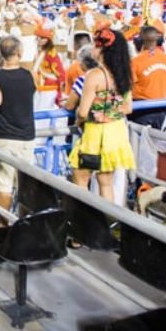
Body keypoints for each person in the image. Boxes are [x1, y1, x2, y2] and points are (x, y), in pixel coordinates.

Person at [68, 29, 134, 203]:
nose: (92, 50)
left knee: (80, 179)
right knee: (106, 182)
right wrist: (109, 113)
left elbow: (82, 112)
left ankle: (85, 223)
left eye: (96, 46)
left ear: (103, 50)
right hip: (116, 131)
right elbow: (127, 108)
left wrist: (81, 119)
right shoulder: (124, 73)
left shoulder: (94, 75)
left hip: (95, 134)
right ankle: (108, 223)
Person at [0, 36, 36, 213]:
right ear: (19, 52)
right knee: (26, 184)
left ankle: (4, 226)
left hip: (3, 136)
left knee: (3, 184)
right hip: (26, 137)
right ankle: (26, 224)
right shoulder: (29, 75)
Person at [129, 23, 166, 129]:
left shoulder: (135, 62)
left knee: (137, 140)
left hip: (140, 107)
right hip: (161, 105)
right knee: (156, 140)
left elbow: (129, 86)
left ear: (141, 39)